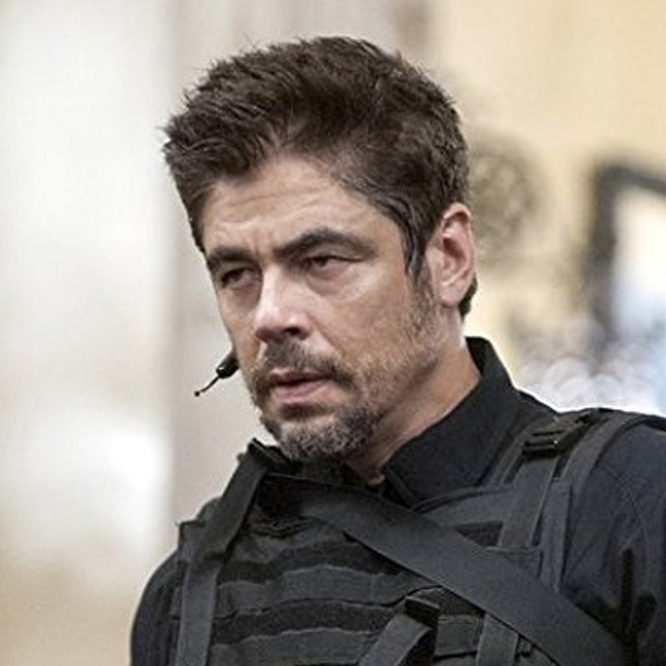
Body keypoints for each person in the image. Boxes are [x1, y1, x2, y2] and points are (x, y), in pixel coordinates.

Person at [131, 37, 666, 666]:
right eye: (237, 274)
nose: (270, 316)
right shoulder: (189, 589)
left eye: (321, 260)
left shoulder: (630, 504)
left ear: (449, 258)